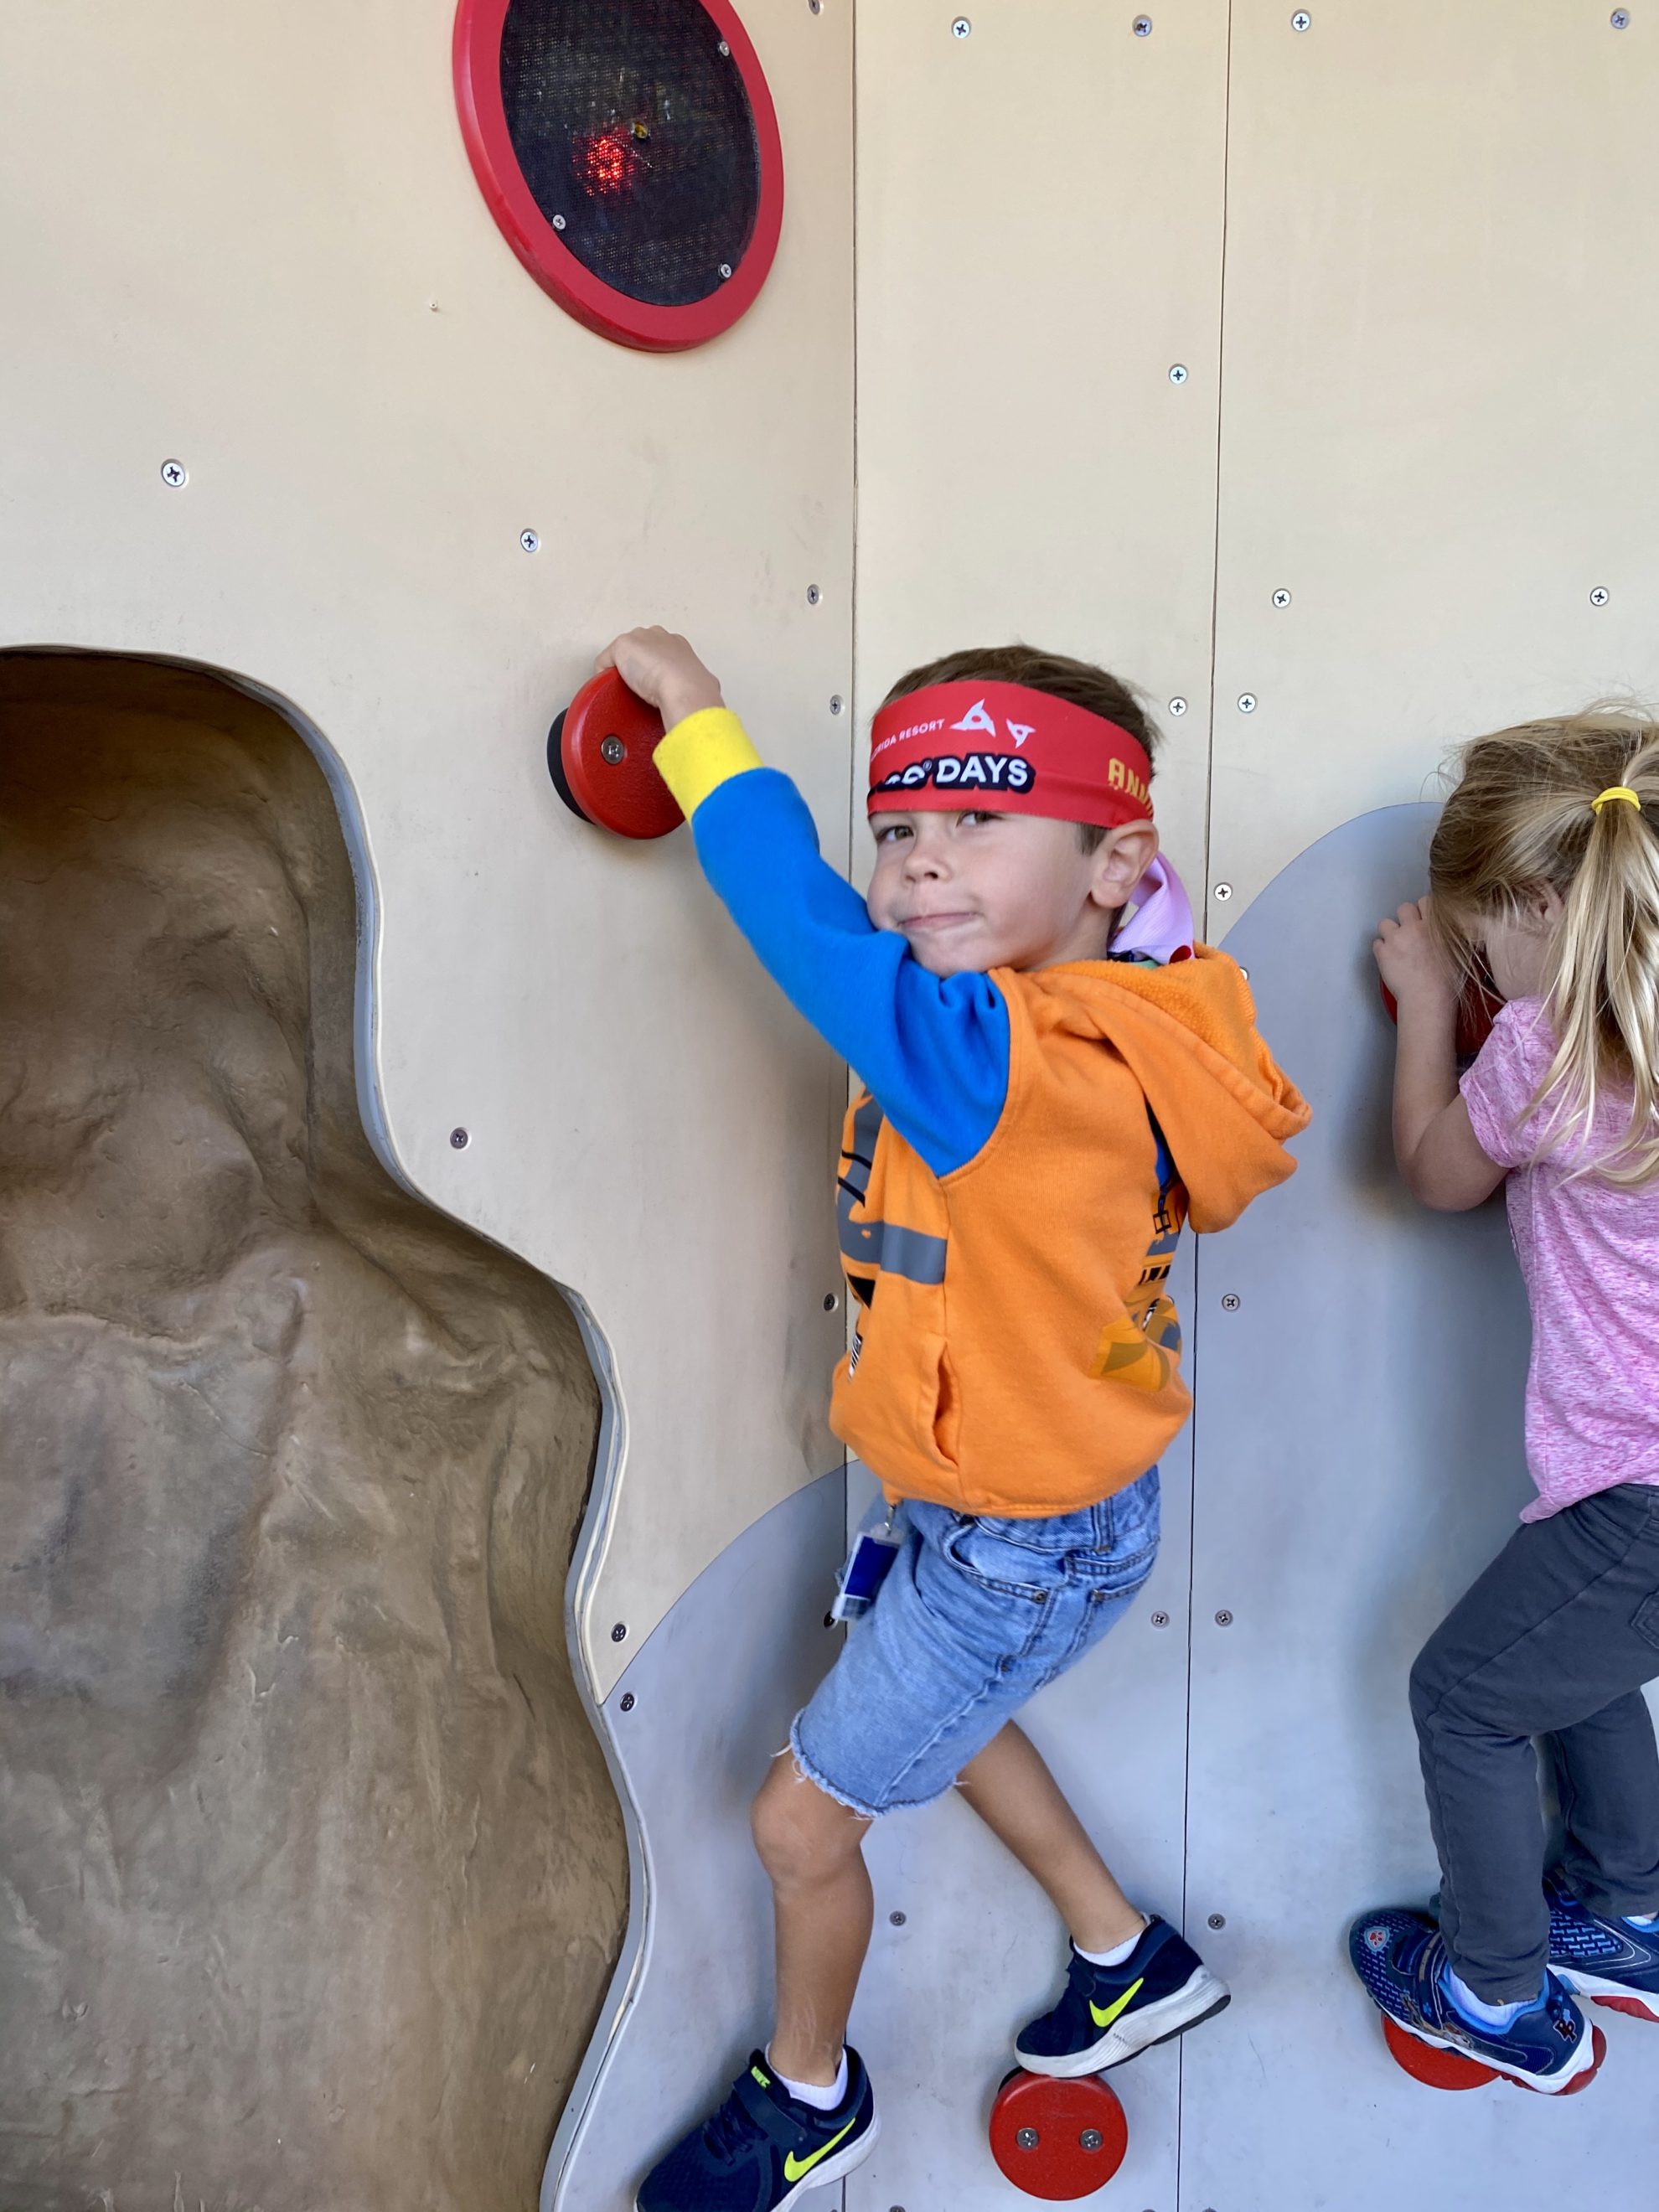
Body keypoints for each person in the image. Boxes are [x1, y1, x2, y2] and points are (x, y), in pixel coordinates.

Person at [598, 629, 1309, 2211]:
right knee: (951, 1716)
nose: (918, 873)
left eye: (979, 826)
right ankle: (1130, 1959)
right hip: (1026, 1497)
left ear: (1117, 861)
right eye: (901, 829)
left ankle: (808, 2099)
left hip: (1021, 1539)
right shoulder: (1130, 1003)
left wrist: (702, 731)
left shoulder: (994, 1057)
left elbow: (801, 923)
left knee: (799, 1824)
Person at [1353, 713, 1659, 2095]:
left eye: (1487, 936)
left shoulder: (1545, 1052)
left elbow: (1434, 1172)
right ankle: (1630, 1907)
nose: (1486, 961)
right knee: (1576, 1668)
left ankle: (1495, 1990)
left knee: (1463, 1701)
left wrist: (1429, 1000)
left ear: (1539, 903)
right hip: (1627, 1499)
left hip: (1636, 1499)